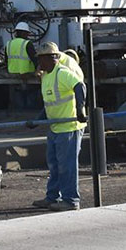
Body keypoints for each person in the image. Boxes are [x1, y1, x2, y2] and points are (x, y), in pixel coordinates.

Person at [31, 41, 87, 211]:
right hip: (55, 127)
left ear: (53, 58)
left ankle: (71, 200)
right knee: (54, 165)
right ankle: (53, 197)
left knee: (67, 166)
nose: (39, 63)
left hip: (69, 127)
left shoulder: (63, 73)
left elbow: (79, 86)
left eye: (41, 59)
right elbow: (49, 102)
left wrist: (80, 109)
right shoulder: (46, 76)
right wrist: (38, 120)